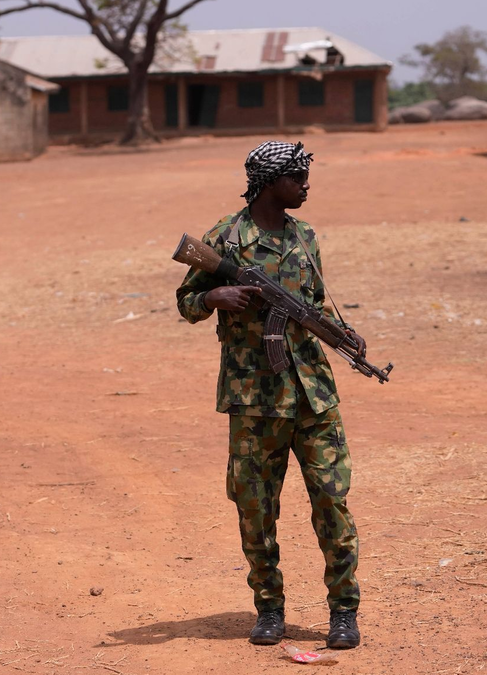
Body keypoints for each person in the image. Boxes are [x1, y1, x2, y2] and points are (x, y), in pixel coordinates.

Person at [175, 141, 363, 649]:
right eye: (296, 177)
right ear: (269, 182)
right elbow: (186, 302)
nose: (305, 185)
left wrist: (345, 335)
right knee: (256, 508)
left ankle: (344, 612)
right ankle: (269, 609)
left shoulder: (305, 236)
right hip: (254, 399)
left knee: (332, 502)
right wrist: (215, 296)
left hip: (314, 395)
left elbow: (315, 305)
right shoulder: (226, 238)